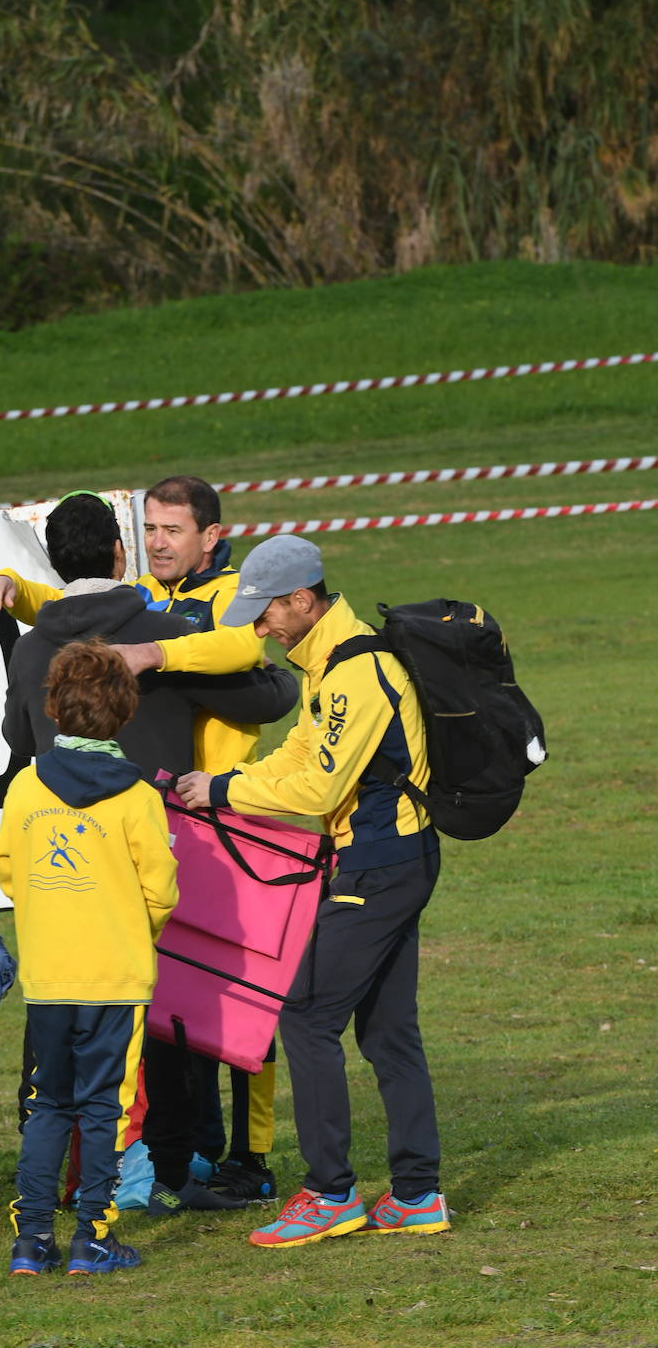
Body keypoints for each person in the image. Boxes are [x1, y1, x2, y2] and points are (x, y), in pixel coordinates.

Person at [0, 477, 287, 1203]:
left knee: (61, 1039)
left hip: (58, 878)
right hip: (153, 843)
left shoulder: (33, 651)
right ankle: (171, 1165)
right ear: (124, 552)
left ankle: (60, 1187)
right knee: (165, 1013)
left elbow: (16, 744)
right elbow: (270, 696)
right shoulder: (166, 634)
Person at [175, 534, 451, 1247]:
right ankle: (418, 1194)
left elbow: (321, 785)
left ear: (303, 600)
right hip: (390, 859)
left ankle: (331, 1191)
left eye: (266, 613)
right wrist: (227, 790)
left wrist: (227, 787)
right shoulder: (329, 660)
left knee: (302, 1015)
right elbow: (301, 753)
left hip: (379, 864)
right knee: (388, 1031)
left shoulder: (356, 670)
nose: (260, 627)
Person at [0, 640, 179, 1276]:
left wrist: (51, 913)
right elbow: (162, 891)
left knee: (49, 1104)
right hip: (116, 975)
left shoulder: (25, 787)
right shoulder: (138, 798)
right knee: (105, 1108)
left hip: (49, 975)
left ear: (52, 707)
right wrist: (128, 926)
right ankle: (92, 1238)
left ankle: (31, 1240)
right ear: (126, 712)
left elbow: (7, 870)